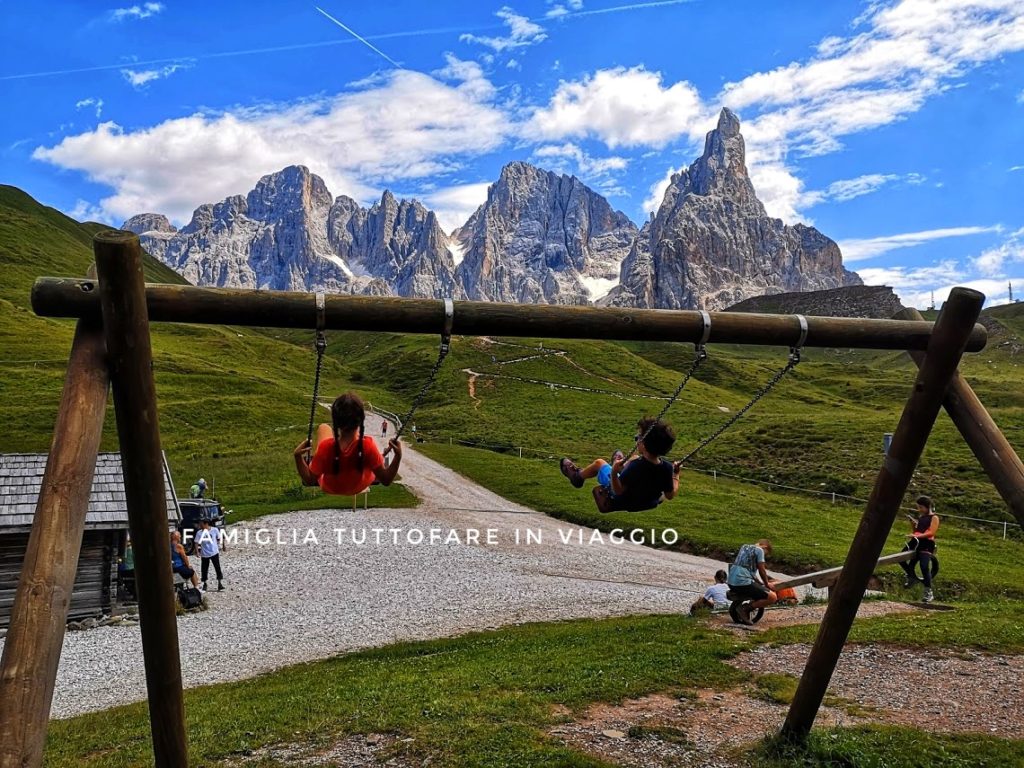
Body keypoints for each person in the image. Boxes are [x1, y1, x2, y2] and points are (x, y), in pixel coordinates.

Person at [560, 418, 679, 513]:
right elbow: (670, 495)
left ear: (644, 444)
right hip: (646, 502)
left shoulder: (635, 466)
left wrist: (613, 472)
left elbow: (618, 491)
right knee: (636, 461)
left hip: (623, 499)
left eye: (638, 438)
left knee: (599, 463)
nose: (636, 440)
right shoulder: (667, 468)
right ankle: (620, 466)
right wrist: (676, 475)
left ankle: (577, 477)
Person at [294, 392, 402, 495]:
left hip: (330, 487)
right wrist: (398, 456)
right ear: (361, 420)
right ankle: (355, 441)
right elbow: (386, 480)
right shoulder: (367, 445)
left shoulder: (325, 447)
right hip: (359, 485)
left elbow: (309, 480)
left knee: (324, 427)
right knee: (363, 453)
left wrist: (298, 456)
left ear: (335, 421)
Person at [727, 539, 777, 625]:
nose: (764, 556)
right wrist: (766, 584)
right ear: (764, 547)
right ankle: (745, 609)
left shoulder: (744, 547)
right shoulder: (759, 550)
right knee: (772, 597)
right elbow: (762, 570)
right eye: (766, 554)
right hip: (742, 582)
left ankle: (742, 610)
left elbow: (750, 572)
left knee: (756, 588)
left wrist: (760, 583)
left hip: (731, 582)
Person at [899, 495, 939, 603]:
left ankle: (928, 591)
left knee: (924, 566)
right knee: (901, 557)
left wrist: (916, 535)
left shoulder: (934, 517)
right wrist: (913, 526)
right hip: (917, 541)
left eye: (921, 507)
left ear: (928, 507)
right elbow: (918, 530)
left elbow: (931, 532)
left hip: (926, 543)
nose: (919, 510)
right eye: (918, 507)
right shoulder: (921, 518)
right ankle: (912, 576)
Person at [195, 518, 226, 592]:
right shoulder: (199, 533)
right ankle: (205, 583)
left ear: (206, 524)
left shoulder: (214, 530)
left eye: (201, 523)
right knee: (204, 569)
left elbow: (219, 538)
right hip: (205, 554)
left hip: (214, 552)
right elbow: (196, 542)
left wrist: (223, 546)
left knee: (217, 567)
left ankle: (220, 583)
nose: (200, 525)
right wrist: (197, 552)